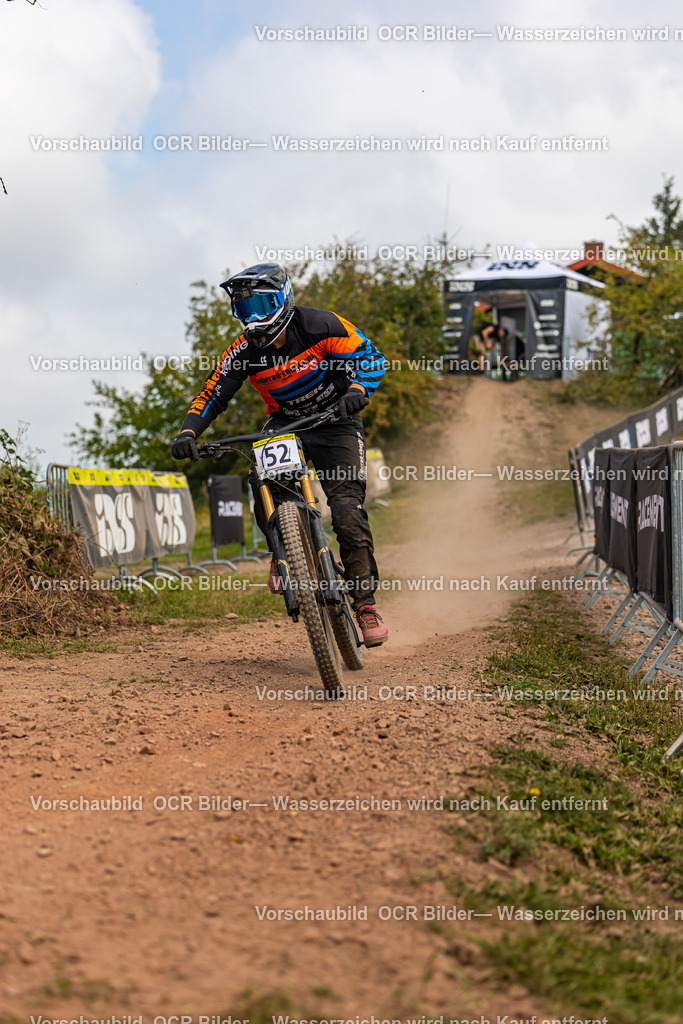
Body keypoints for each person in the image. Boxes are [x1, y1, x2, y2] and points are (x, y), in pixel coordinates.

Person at [171, 262, 389, 647]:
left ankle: (366, 605)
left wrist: (358, 390)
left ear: (284, 298)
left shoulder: (321, 325)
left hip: (336, 420)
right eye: (244, 309)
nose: (253, 318)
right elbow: (213, 393)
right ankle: (283, 548)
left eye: (261, 305)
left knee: (347, 513)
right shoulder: (242, 351)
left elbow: (371, 358)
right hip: (286, 423)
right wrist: (189, 431)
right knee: (262, 478)